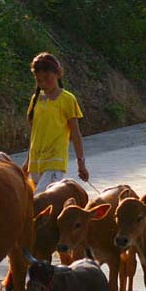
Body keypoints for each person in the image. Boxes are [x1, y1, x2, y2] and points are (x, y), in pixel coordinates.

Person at [22, 52, 89, 194]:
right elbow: (35, 133)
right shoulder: (36, 100)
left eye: (47, 78)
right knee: (39, 208)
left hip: (54, 162)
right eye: (39, 80)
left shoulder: (67, 99)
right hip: (35, 163)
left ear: (58, 74)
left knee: (39, 202)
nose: (43, 83)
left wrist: (81, 163)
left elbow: (76, 134)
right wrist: (27, 161)